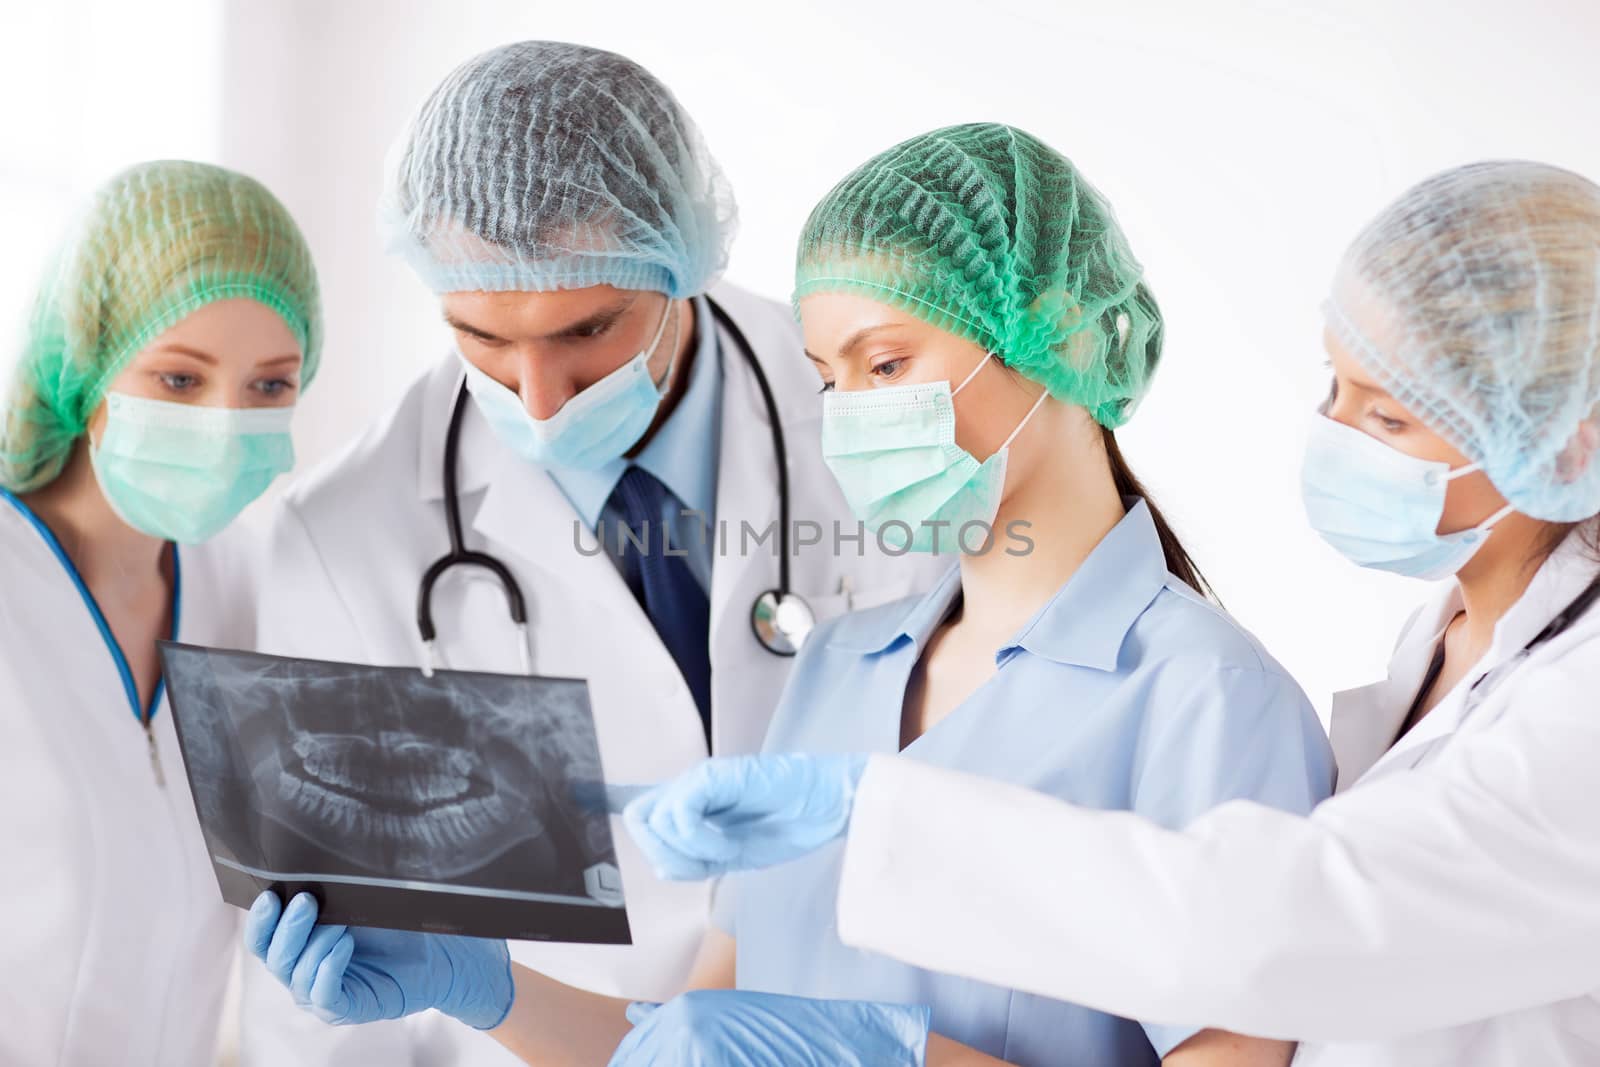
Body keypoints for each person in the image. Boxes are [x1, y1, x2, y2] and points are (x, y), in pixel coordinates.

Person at [242, 123, 1336, 1067]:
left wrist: (891, 1056)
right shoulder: (840, 666)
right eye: (826, 377)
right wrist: (484, 985)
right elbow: (694, 1038)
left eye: (886, 363)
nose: (848, 413)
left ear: (1056, 334)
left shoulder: (1212, 701)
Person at [620, 160, 1600, 1066]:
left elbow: (1277, 917)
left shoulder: (1222, 691)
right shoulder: (1444, 643)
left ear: (1567, 440)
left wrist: (888, 1024)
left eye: (1386, 415)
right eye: (1332, 386)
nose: (1331, 437)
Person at [238, 41, 941, 1067]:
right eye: (480, 334)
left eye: (588, 327)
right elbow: (331, 980)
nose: (538, 393)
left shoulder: (864, 404)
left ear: (683, 258)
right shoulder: (345, 536)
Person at [0, 160, 321, 1066]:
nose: (226, 425)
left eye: (269, 386)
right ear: (87, 365)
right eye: (180, 380)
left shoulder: (251, 589)